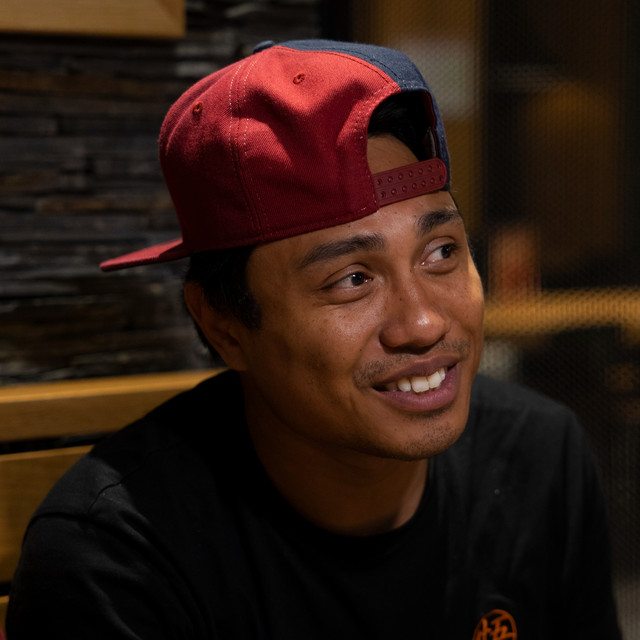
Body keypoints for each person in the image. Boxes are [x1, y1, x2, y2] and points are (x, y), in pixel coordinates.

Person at [7, 39, 621, 639]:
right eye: (352, 279)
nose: (424, 323)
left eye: (440, 252)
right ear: (223, 325)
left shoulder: (539, 457)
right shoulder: (116, 561)